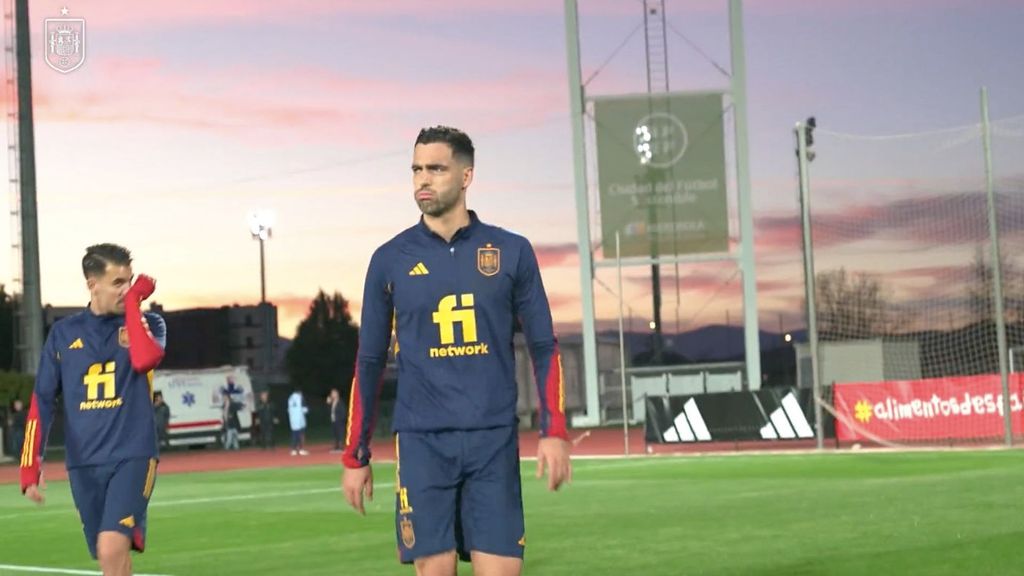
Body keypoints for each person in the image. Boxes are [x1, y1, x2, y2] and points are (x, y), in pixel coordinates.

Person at [341, 126, 571, 576]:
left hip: (493, 440)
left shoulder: (511, 251)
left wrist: (555, 429)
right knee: (435, 569)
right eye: (416, 169)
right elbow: (369, 363)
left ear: (466, 176)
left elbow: (544, 347)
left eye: (436, 169)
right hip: (423, 441)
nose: (422, 180)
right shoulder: (390, 259)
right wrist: (356, 455)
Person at [19, 243, 166, 576]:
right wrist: (31, 463)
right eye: (118, 283)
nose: (127, 289)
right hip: (84, 463)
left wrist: (132, 304)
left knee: (111, 546)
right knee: (111, 558)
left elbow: (144, 359)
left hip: (134, 454)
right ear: (92, 284)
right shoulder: (63, 334)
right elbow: (42, 400)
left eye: (130, 281)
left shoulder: (149, 323)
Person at [286, 388, 308, 456]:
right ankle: (301, 449)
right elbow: (304, 409)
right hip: (299, 419)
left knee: (294, 434)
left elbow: (289, 410)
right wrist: (306, 410)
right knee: (300, 435)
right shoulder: (300, 398)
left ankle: (294, 449)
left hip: (293, 419)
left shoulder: (290, 398)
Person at [327, 388, 345, 453]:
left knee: (340, 433)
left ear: (337, 394)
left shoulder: (340, 402)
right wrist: (328, 404)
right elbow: (329, 411)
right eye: (332, 393)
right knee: (335, 434)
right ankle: (336, 447)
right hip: (333, 421)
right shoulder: (332, 403)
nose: (332, 395)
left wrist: (340, 420)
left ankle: (341, 447)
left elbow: (343, 412)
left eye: (333, 393)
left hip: (339, 421)